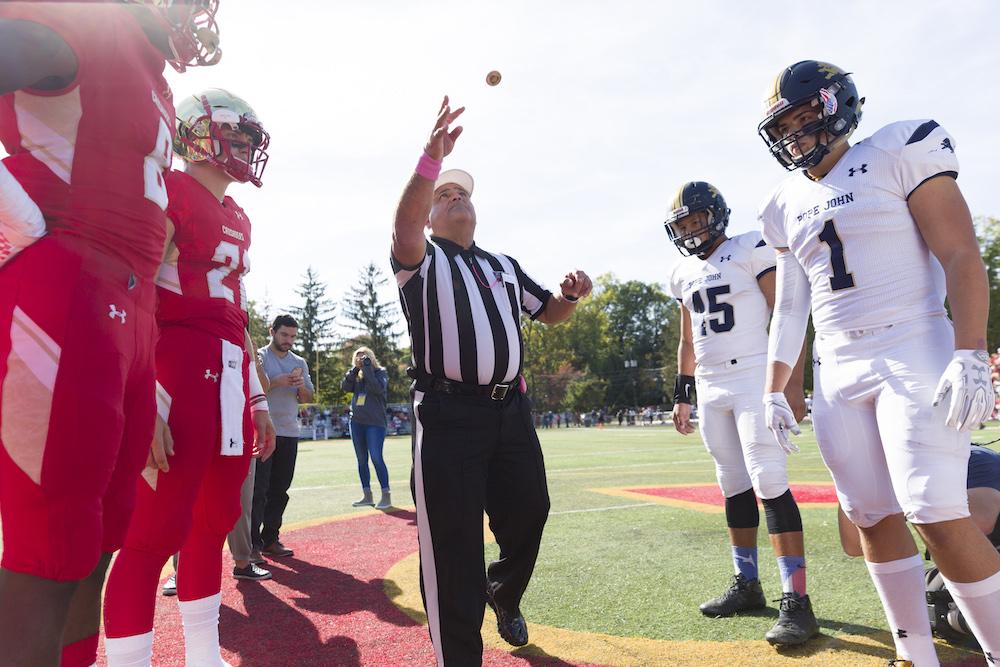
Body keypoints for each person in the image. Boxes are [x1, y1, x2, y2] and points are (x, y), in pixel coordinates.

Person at [757, 60, 1000, 667]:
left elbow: (960, 253)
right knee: (869, 514)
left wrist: (972, 350)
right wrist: (774, 386)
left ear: (837, 103)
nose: (795, 132)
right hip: (837, 364)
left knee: (936, 511)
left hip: (911, 342)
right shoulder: (785, 201)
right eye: (783, 124)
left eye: (804, 114)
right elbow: (791, 308)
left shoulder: (900, 148)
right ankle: (916, 655)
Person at [0, 3, 220, 665]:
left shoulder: (150, 71)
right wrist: (14, 213)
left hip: (127, 314)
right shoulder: (75, 22)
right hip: (65, 294)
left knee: (95, 545)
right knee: (44, 556)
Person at [392, 96, 593, 666]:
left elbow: (548, 311)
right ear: (431, 218)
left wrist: (572, 297)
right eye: (444, 197)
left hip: (510, 414)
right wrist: (430, 159)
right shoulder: (422, 260)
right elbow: (402, 225)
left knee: (530, 513)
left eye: (462, 194)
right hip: (449, 416)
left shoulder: (501, 265)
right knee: (453, 550)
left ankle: (502, 592)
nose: (455, 199)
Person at [101, 89, 276, 666]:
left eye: (253, 139)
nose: (248, 147)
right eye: (239, 135)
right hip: (173, 362)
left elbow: (236, 313)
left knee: (214, 522)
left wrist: (257, 401)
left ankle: (204, 655)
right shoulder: (170, 192)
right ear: (199, 133)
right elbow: (134, 290)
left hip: (225, 372)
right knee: (152, 531)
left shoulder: (239, 218)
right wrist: (143, 395)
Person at [666, 181, 816, 645]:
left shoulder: (751, 248)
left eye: (697, 220)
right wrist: (683, 392)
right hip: (711, 386)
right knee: (732, 485)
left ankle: (797, 601)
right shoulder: (681, 273)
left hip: (753, 376)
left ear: (717, 215)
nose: (691, 231)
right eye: (683, 224)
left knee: (770, 481)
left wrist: (790, 382)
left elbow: (786, 311)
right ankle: (746, 583)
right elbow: (689, 340)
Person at [253, 315, 314, 559]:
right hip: (263, 431)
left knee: (280, 489)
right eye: (284, 335)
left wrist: (300, 386)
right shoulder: (260, 357)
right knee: (259, 490)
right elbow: (252, 386)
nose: (288, 340)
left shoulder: (299, 361)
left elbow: (308, 397)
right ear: (272, 332)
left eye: (292, 336)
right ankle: (252, 546)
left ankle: (271, 538)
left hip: (289, 431)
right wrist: (275, 382)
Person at [342, 346, 392, 510]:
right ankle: (367, 495)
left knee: (376, 457)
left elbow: (377, 389)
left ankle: (386, 495)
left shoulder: (380, 373)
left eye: (365, 357)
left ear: (371, 357)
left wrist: (368, 368)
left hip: (375, 423)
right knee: (361, 460)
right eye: (358, 358)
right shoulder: (355, 376)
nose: (362, 360)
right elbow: (345, 387)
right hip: (356, 422)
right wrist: (355, 369)